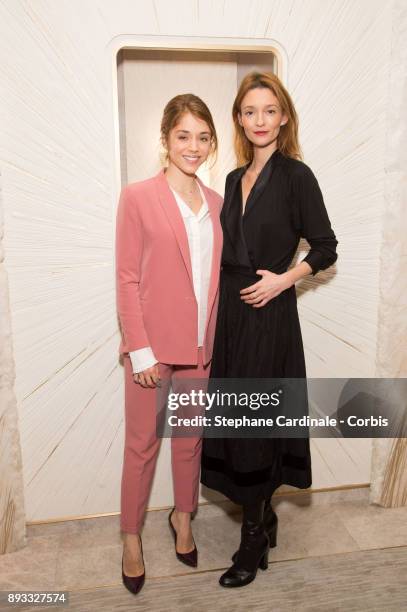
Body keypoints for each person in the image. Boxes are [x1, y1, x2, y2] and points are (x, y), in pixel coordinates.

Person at [201, 71, 338, 588]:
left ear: (283, 116)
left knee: (256, 428)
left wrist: (284, 280)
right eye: (249, 111)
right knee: (238, 425)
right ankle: (265, 516)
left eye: (268, 110)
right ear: (239, 119)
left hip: (270, 316)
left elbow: (325, 247)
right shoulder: (233, 180)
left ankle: (253, 539)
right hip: (233, 321)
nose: (259, 120)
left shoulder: (297, 176)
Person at [115, 94, 223, 595]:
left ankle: (184, 519)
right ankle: (131, 538)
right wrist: (139, 350)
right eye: (184, 136)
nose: (193, 147)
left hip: (201, 348)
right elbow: (127, 279)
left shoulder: (219, 206)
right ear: (165, 140)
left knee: (189, 444)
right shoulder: (138, 197)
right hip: (152, 354)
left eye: (203, 137)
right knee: (141, 447)